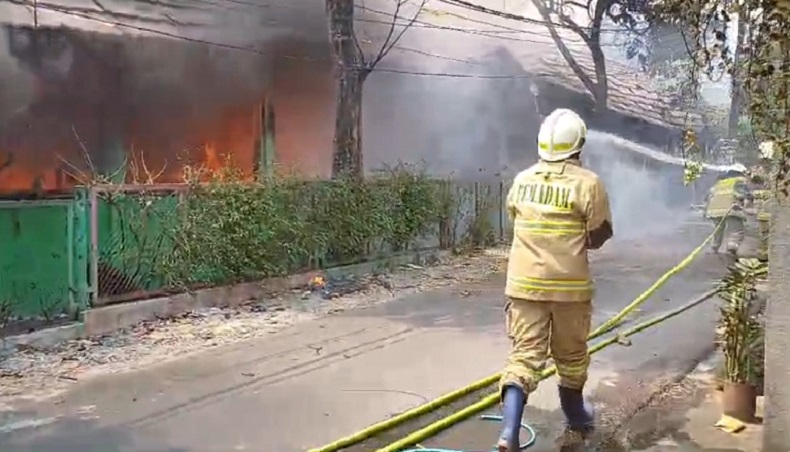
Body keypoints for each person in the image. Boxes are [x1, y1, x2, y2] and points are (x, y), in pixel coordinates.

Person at [497, 108, 613, 451]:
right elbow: (601, 233)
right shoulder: (588, 183)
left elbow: (514, 217)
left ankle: (509, 434)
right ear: (578, 146)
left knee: (523, 358)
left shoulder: (521, 180)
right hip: (569, 290)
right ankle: (576, 416)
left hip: (523, 286)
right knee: (572, 357)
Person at [704, 163, 754, 256]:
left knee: (718, 230)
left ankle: (714, 248)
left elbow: (707, 196)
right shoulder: (739, 180)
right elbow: (743, 194)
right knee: (736, 230)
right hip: (732, 208)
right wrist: (747, 205)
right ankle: (731, 249)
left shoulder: (720, 182)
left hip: (715, 210)